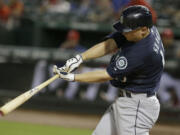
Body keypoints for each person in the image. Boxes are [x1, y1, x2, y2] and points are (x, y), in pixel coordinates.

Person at [53, 5, 163, 135]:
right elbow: (110, 44)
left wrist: (73, 77)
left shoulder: (142, 52)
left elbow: (106, 75)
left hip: (137, 106)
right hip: (127, 100)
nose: (124, 32)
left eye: (128, 30)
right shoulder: (145, 30)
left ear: (143, 30)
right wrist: (80, 58)